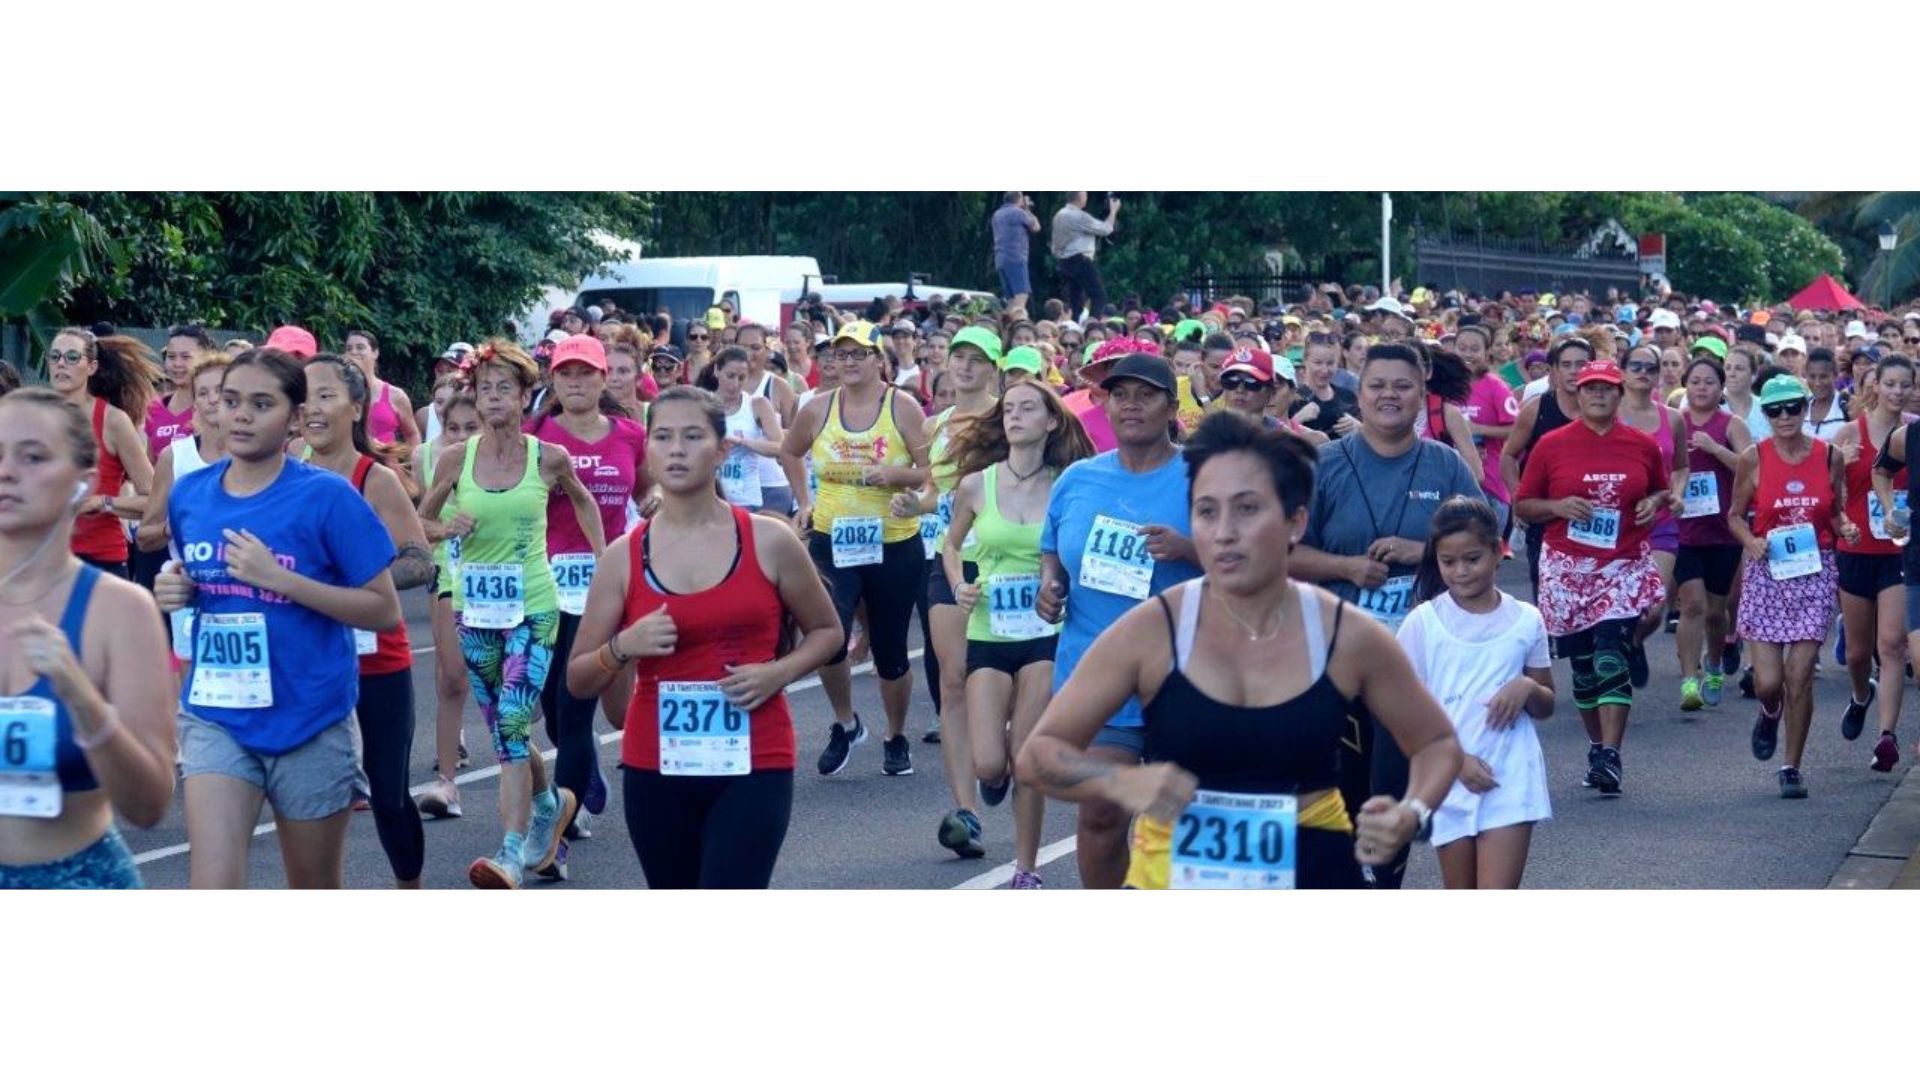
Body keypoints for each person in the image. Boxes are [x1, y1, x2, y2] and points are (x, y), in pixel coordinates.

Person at [1019, 411, 1461, 889]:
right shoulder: (1152, 631)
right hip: (1174, 883)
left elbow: (1437, 743)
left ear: (1295, 522)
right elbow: (1039, 754)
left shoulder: (1345, 634)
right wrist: (1122, 782)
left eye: (1247, 509)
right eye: (1206, 512)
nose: (1224, 531)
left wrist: (1412, 812)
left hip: (1312, 874)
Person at [564, 387, 842, 888]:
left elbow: (827, 631)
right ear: (647, 450)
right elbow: (579, 679)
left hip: (755, 758)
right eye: (663, 437)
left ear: (722, 450)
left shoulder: (769, 540)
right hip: (655, 765)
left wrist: (778, 673)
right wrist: (622, 647)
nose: (676, 450)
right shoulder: (622, 557)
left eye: (693, 437)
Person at [154, 349, 402, 888]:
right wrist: (177, 588)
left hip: (310, 718)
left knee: (312, 888)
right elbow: (198, 579)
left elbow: (384, 610)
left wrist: (281, 579)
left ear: (295, 418)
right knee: (212, 886)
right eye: (231, 401)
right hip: (216, 714)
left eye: (262, 404)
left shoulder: (327, 496)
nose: (241, 415)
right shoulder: (190, 495)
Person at [1288, 341, 1484, 888]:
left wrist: (1424, 551)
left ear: (1422, 395)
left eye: (1403, 386)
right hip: (1339, 660)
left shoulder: (1445, 465)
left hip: (1419, 665)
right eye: (1377, 385)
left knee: (1392, 796)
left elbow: (1488, 541)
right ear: (1360, 393)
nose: (1389, 396)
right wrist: (1347, 566)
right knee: (1341, 798)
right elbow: (1284, 555)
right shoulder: (1325, 465)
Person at [416, 340, 605, 887]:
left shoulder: (548, 457)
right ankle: (550, 803)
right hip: (475, 612)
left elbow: (583, 500)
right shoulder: (457, 458)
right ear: (474, 398)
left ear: (525, 397)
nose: (494, 397)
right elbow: (420, 522)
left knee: (514, 724)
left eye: (505, 388)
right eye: (485, 389)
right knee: (507, 731)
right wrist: (444, 527)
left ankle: (511, 853)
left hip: (534, 610)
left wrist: (604, 561)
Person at [1035, 352, 1203, 888]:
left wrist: (1188, 549)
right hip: (1098, 673)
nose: (1131, 405)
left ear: (1172, 408)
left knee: (1189, 819)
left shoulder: (1202, 476)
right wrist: (1050, 585)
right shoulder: (1078, 479)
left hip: (1188, 676)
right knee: (1102, 812)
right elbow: (1051, 549)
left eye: (1146, 395)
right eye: (1120, 395)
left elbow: (1251, 558)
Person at [0, 388, 177, 889]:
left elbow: (148, 805)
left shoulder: (119, 610)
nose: (6, 471)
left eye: (33, 456)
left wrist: (81, 696)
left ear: (84, 483)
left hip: (77, 878)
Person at [940, 378, 1095, 886]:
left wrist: (1062, 584)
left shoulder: (1067, 483)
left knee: (1026, 757)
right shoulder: (975, 485)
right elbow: (950, 545)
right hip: (989, 632)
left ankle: (1025, 869)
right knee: (989, 765)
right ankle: (997, 770)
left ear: (1051, 422)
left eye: (1028, 409)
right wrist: (959, 584)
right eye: (1009, 409)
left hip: (1047, 632)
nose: (1015, 416)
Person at [298, 356, 433, 888]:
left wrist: (353, 584)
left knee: (388, 794)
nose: (312, 407)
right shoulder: (284, 472)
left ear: (356, 408)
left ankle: (409, 891)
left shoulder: (374, 479)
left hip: (375, 662)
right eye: (304, 395)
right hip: (307, 660)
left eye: (326, 395)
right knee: (308, 795)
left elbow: (419, 560)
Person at [1516, 358, 1679, 797]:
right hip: (1567, 569)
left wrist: (1653, 503)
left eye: (1607, 387)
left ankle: (1611, 754)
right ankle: (1596, 746)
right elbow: (1523, 504)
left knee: (1610, 657)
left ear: (1619, 393)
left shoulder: (1641, 444)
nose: (1598, 395)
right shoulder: (1552, 444)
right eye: (1590, 388)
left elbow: (1661, 489)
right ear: (1579, 393)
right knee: (1584, 669)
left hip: (1622, 564)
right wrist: (1557, 507)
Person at [780, 322, 933, 778]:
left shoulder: (902, 406)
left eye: (857, 354)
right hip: (833, 540)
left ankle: (895, 735)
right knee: (827, 635)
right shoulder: (817, 408)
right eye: (840, 354)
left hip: (893, 542)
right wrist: (804, 503)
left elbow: (933, 471)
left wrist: (897, 477)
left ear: (878, 360)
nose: (846, 362)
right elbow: (790, 452)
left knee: (890, 652)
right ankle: (845, 723)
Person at [526, 334, 647, 858]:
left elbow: (647, 489)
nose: (575, 382)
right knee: (556, 707)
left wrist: (655, 502)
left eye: (585, 373)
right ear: (553, 381)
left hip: (608, 582)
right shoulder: (534, 436)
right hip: (544, 584)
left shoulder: (631, 434)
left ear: (603, 379)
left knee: (575, 706)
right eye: (565, 373)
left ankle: (561, 821)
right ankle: (584, 772)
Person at [1398, 496, 1554, 889]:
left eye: (1472, 559)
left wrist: (1527, 687)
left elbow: (1546, 703)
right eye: (1448, 562)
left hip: (1510, 776)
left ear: (1498, 552)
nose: (1461, 572)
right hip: (1449, 779)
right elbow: (1402, 713)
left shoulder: (1526, 620)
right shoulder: (1423, 623)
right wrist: (1455, 761)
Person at [899, 326, 1002, 856]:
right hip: (950, 558)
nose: (962, 366)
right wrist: (912, 503)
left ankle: (997, 759)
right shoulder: (935, 423)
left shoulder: (1009, 418)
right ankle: (967, 809)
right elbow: (934, 492)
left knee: (1002, 674)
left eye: (975, 359)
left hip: (1005, 562)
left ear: (993, 368)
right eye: (957, 356)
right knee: (954, 679)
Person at [1728, 375, 1855, 799]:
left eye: (1793, 407)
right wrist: (1751, 541)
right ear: (1765, 414)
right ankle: (1769, 713)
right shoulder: (1753, 458)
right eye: (1774, 410)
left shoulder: (1829, 454)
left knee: (1799, 675)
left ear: (1805, 407)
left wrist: (1846, 527)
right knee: (1768, 683)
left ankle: (1791, 766)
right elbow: (1734, 515)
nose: (1785, 416)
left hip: (1815, 571)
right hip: (1768, 572)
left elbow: (1834, 510)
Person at [412, 389, 484, 818]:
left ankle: (540, 785)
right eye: (452, 428)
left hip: (506, 580)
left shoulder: (519, 460)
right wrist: (445, 530)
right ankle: (447, 783)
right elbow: (420, 523)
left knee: (511, 692)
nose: (460, 436)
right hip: (450, 573)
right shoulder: (437, 460)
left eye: (470, 428)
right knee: (452, 676)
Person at [1673, 356, 1752, 711]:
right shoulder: (1675, 421)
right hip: (1684, 529)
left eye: (1709, 382)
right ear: (1685, 386)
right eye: (1695, 381)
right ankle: (1689, 680)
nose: (1702, 388)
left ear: (1721, 389)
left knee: (1716, 613)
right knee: (1692, 604)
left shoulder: (1731, 424)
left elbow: (1751, 469)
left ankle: (1715, 666)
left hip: (1723, 530)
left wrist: (1714, 448)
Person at [45, 329, 154, 579]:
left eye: (72, 357)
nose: (61, 363)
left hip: (100, 562)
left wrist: (103, 503)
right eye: (55, 356)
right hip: (43, 562)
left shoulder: (112, 420)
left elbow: (153, 499)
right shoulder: (33, 416)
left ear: (92, 367)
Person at [1616, 344, 1687, 686]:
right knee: (1619, 606)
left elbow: (1682, 466)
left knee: (1654, 607)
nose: (1643, 373)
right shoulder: (1608, 414)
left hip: (1660, 522)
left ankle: (1634, 642)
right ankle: (1617, 650)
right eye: (1636, 366)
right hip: (1617, 525)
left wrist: (1677, 493)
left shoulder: (1672, 418)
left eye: (1651, 368)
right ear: (1622, 372)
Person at [1501, 337, 1589, 598]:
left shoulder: (1606, 409)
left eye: (1581, 364)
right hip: (1545, 517)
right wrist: (1518, 495)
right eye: (1567, 365)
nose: (1574, 371)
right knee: (1548, 595)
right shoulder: (1536, 408)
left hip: (1592, 516)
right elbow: (1508, 456)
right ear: (1554, 371)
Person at [701, 346, 799, 513]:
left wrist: (743, 442)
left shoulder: (757, 404)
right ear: (717, 370)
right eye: (730, 376)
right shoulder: (701, 403)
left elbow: (780, 447)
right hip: (710, 498)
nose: (735, 384)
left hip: (746, 500)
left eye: (742, 378)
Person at [342, 329, 421, 457]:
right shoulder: (339, 393)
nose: (354, 352)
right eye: (349, 348)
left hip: (386, 464)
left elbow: (412, 435)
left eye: (360, 347)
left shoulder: (395, 395)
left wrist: (410, 463)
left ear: (375, 353)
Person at [1050, 192, 1118, 320]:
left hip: (1064, 261)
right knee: (1098, 295)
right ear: (1080, 198)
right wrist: (1113, 211)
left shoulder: (1059, 215)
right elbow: (1106, 229)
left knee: (1075, 299)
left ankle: (1075, 323)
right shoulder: (1078, 216)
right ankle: (1092, 323)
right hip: (1080, 258)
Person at [1293, 333, 1360, 439]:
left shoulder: (1348, 398)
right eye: (1318, 363)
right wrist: (1296, 420)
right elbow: (1275, 441)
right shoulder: (1292, 399)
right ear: (1305, 361)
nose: (1324, 370)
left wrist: (1359, 427)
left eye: (1330, 363)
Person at [991, 193, 1042, 309]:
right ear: (1019, 200)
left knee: (1011, 298)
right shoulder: (1018, 212)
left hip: (1000, 258)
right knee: (1021, 295)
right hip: (1016, 257)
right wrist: (1027, 209)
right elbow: (1036, 227)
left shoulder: (997, 214)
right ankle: (1019, 319)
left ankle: (1009, 319)